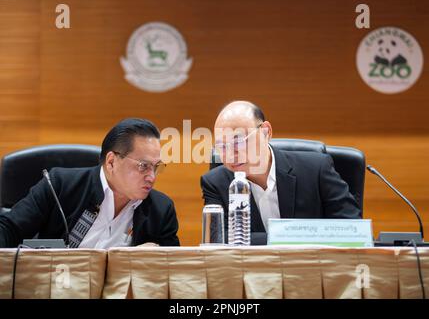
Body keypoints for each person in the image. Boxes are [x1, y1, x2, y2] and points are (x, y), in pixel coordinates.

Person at [0, 118, 180, 248]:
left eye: (156, 167)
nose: (152, 177)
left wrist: (153, 259)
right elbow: (9, 228)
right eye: (143, 166)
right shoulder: (60, 186)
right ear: (111, 162)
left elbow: (173, 269)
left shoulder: (161, 209)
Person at [201, 101, 361, 242]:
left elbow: (352, 228)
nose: (230, 154)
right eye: (222, 146)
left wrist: (281, 237)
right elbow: (218, 239)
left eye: (238, 141)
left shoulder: (316, 170)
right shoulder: (215, 183)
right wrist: (297, 235)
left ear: (266, 132)